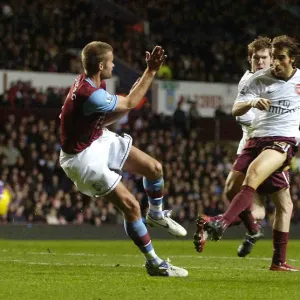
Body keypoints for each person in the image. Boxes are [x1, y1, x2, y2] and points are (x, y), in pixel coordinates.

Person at [59, 41, 188, 277]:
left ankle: (157, 215)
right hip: (81, 158)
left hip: (96, 138)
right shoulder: (92, 94)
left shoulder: (93, 83)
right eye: (111, 61)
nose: (114, 64)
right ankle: (154, 263)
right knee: (131, 206)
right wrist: (150, 71)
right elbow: (128, 103)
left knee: (154, 168)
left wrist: (133, 92)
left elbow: (107, 116)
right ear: (101, 65)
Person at [195, 35, 300, 271]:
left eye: (279, 58)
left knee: (256, 181)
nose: (274, 63)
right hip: (254, 141)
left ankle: (222, 221)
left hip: (281, 140)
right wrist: (252, 103)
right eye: (272, 57)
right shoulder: (257, 79)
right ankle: (275, 258)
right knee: (266, 200)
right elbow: (235, 109)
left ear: (291, 59)